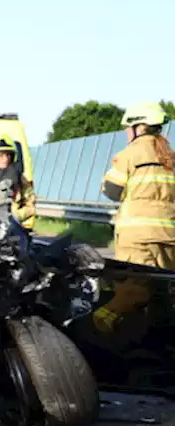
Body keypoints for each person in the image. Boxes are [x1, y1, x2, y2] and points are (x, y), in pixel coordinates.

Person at [90, 102, 175, 335]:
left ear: (140, 127)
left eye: (128, 127)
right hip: (168, 235)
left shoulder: (129, 154)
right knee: (161, 292)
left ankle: (99, 328)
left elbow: (112, 190)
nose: (127, 132)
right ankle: (157, 344)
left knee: (131, 290)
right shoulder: (170, 157)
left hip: (136, 234)